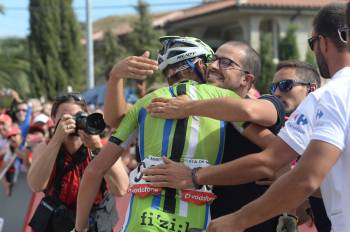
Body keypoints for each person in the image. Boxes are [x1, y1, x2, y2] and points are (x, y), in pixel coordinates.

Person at [103, 39, 286, 231]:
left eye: (225, 63)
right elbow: (117, 120)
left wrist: (189, 108)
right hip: (205, 222)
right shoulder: (189, 105)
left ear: (246, 80)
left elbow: (258, 119)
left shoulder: (262, 104)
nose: (213, 66)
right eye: (213, 59)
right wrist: (116, 78)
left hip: (253, 224)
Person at [199, 3, 350, 231]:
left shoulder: (330, 96)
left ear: (323, 42)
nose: (278, 92)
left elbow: (300, 175)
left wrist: (235, 219)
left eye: (312, 43)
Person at [27, 93, 128, 232]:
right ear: (53, 120)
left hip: (94, 222)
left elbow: (121, 189)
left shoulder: (104, 146)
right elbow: (36, 185)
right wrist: (56, 139)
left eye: (78, 117)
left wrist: (98, 148)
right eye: (65, 118)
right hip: (57, 221)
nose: (72, 123)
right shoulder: (45, 147)